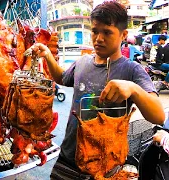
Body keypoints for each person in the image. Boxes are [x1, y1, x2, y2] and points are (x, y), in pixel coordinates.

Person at [30, 1, 165, 179]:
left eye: (107, 32)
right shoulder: (82, 62)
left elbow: (159, 116)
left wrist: (134, 89)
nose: (98, 38)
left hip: (106, 167)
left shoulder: (132, 70)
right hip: (68, 159)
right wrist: (47, 55)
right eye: (95, 31)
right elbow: (62, 78)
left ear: (123, 35)